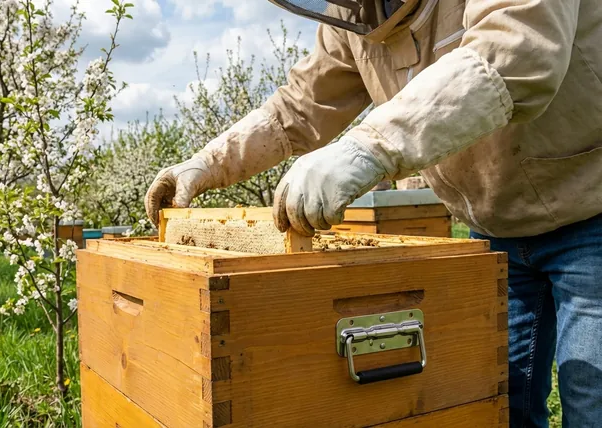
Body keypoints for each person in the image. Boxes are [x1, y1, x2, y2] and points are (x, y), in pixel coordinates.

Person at [144, 1, 602, 426]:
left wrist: (370, 146)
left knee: (591, 398)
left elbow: (516, 49)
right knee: (499, 404)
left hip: (592, 208)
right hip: (495, 230)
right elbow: (298, 107)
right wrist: (207, 163)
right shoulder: (354, 19)